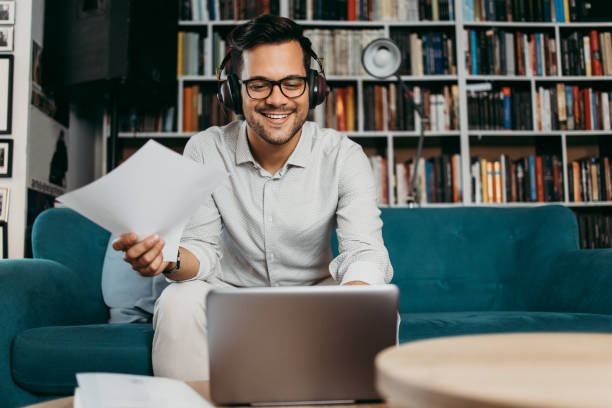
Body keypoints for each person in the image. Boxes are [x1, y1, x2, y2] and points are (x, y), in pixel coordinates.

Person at [112, 14, 393, 381]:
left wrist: (351, 304)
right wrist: (167, 257)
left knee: (374, 301)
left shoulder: (344, 156)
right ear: (232, 90)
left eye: (292, 83)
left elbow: (365, 253)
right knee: (178, 301)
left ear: (313, 87)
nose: (277, 100)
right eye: (259, 84)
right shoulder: (205, 149)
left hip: (315, 298)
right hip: (230, 297)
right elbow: (203, 252)